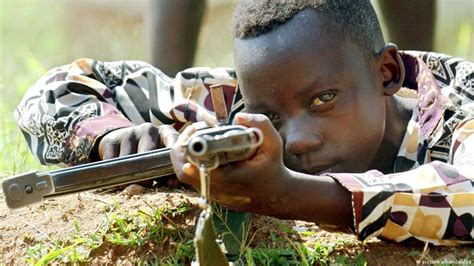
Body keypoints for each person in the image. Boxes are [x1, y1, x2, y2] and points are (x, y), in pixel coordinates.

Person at [15, 0, 473, 245]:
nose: (295, 140)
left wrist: (290, 194)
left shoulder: (460, 108)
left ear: (387, 73)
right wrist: (110, 135)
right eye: (271, 115)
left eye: (323, 99)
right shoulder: (236, 103)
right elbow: (55, 90)